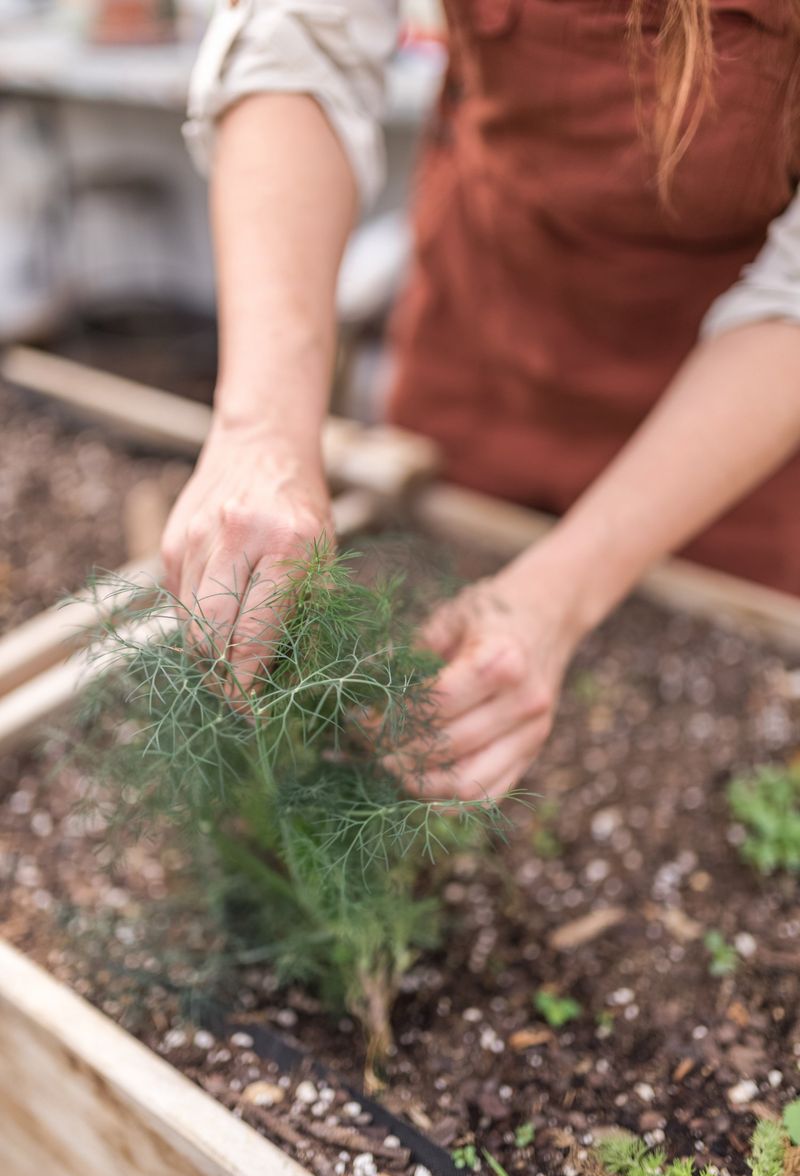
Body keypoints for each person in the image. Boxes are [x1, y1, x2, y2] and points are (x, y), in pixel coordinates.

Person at [164, 0, 800, 803]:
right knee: (423, 639)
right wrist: (262, 429)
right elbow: (299, 36)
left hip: (735, 410)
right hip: (485, 321)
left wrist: (556, 601)